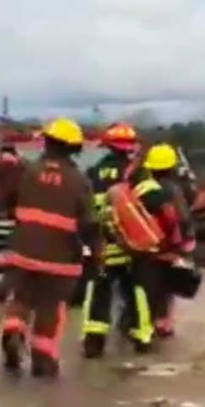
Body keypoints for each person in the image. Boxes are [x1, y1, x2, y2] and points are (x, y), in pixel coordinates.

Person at [1, 118, 100, 378]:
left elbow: (8, 203)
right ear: (74, 148)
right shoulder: (79, 181)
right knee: (51, 307)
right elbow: (89, 224)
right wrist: (96, 255)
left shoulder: (28, 172)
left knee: (20, 298)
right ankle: (43, 360)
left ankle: (13, 330)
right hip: (60, 259)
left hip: (23, 252)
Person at [81, 122, 154, 358]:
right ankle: (142, 336)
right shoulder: (137, 173)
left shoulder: (93, 172)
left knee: (98, 290)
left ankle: (94, 340)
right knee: (137, 290)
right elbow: (152, 203)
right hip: (131, 245)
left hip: (102, 242)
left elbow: (86, 208)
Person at [132, 144, 195, 340]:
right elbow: (183, 217)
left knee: (148, 285)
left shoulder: (141, 188)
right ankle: (165, 323)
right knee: (169, 284)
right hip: (170, 244)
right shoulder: (174, 189)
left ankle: (146, 322)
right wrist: (186, 242)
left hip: (145, 245)